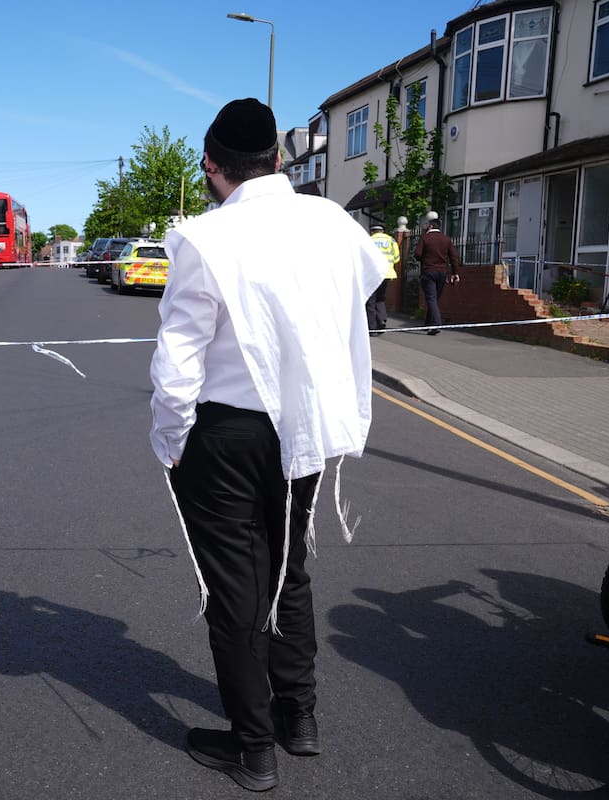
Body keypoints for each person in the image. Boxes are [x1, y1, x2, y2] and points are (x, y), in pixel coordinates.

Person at [150, 98, 386, 793]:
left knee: (236, 587)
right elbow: (360, 290)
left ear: (211, 165)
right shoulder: (333, 220)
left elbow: (178, 361)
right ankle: (298, 715)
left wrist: (169, 438)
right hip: (304, 425)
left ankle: (253, 749)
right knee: (290, 569)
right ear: (279, 160)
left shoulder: (203, 237)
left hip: (227, 432)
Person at [413, 212, 462, 335]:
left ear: (430, 226)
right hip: (442, 273)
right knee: (434, 299)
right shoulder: (446, 239)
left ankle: (436, 324)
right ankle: (427, 324)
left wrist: (424, 259)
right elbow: (454, 257)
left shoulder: (425, 238)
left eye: (427, 225)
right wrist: (455, 273)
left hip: (428, 271)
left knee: (431, 298)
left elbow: (417, 254)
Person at [365, 224, 400, 335]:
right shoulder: (391, 240)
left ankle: (372, 328)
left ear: (372, 231)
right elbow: (397, 258)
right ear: (382, 231)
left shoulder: (368, 240)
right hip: (387, 273)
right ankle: (381, 319)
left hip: (372, 274)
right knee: (380, 298)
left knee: (370, 300)